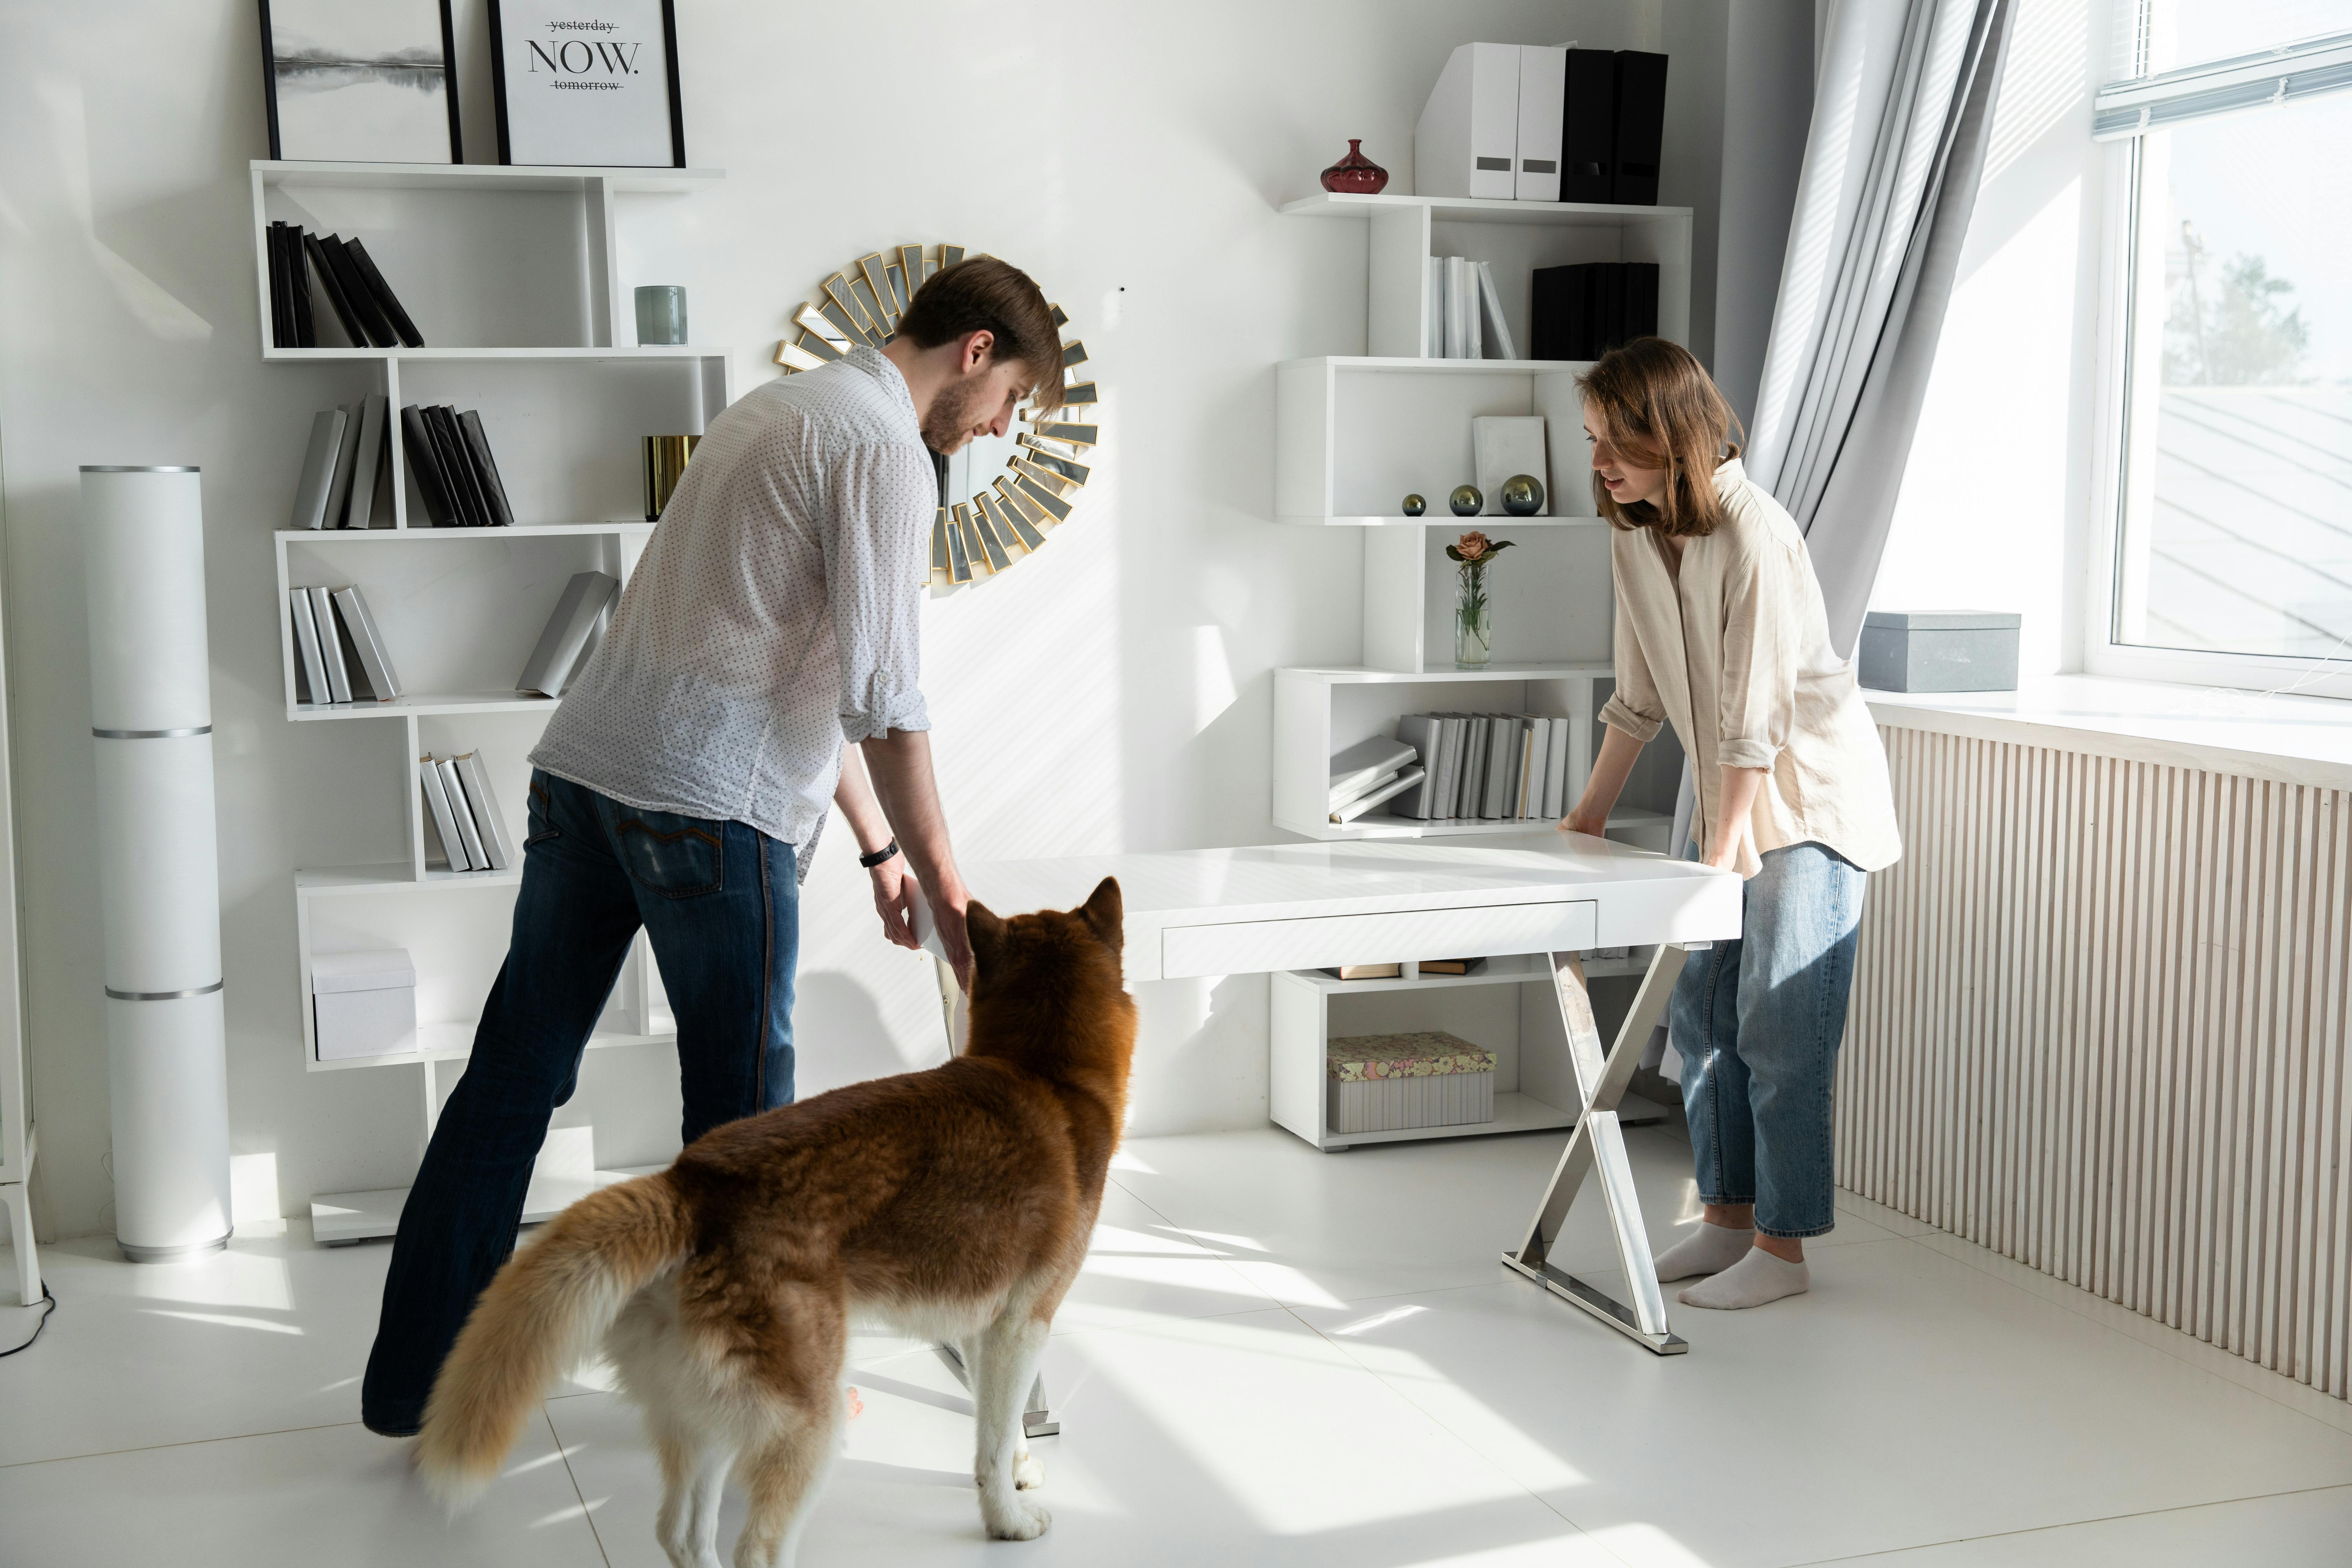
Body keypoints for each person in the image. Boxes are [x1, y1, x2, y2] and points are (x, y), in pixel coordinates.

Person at [360, 257, 1067, 1435]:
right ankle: (753, 1395)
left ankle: (413, 1388)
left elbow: (797, 662)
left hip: (588, 776)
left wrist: (880, 852)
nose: (997, 431)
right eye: (1008, 405)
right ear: (978, 352)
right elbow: (888, 700)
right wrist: (953, 899)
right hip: (707, 811)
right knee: (749, 1135)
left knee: (512, 1079)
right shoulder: (889, 450)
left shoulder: (778, 408)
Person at [1558, 337, 1901, 1311]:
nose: (1597, 464)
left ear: (1670, 433)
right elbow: (1640, 697)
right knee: (1703, 1019)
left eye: (1613, 442)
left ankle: (1783, 1255)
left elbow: (1755, 718)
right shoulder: (1635, 534)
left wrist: (1719, 856)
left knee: (1778, 1029)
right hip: (1725, 803)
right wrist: (1586, 814)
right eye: (1590, 441)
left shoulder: (1754, 536)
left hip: (1803, 806)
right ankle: (1724, 1224)